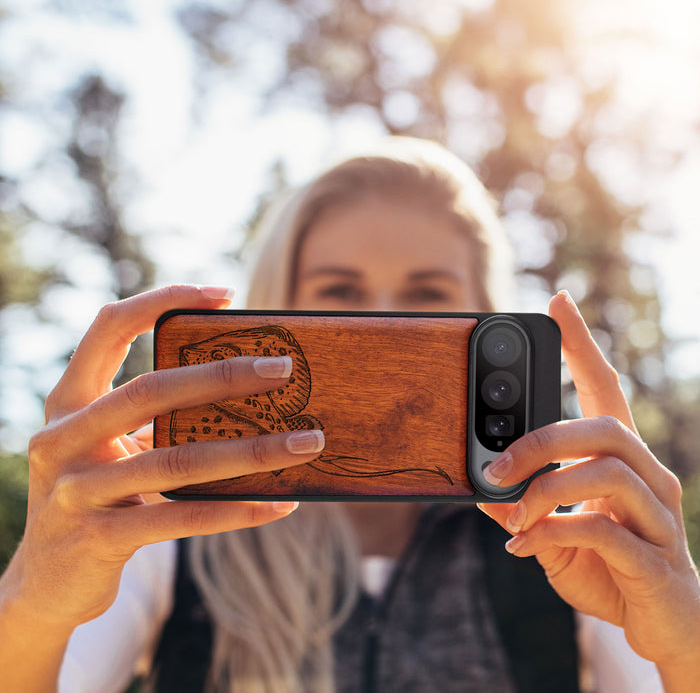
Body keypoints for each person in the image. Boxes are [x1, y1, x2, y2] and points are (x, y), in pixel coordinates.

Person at [0, 138, 698, 693]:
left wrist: (685, 641)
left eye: (428, 294)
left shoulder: (567, 536)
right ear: (279, 304)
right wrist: (34, 601)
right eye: (340, 291)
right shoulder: (171, 528)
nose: (386, 319)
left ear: (487, 315)